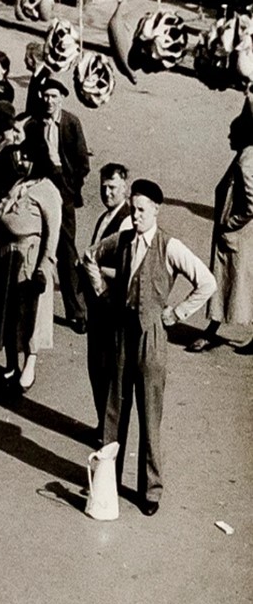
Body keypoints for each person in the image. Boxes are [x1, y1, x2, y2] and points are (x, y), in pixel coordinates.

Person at [83, 179, 215, 514]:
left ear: (156, 210)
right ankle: (106, 481)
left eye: (142, 210)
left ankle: (150, 491)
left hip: (151, 338)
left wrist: (177, 312)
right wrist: (102, 290)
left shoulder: (169, 246)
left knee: (149, 415)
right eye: (133, 209)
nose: (135, 215)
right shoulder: (124, 239)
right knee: (115, 409)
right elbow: (90, 256)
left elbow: (207, 282)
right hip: (121, 334)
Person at [0, 140, 62, 393]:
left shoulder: (47, 189)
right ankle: (12, 363)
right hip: (8, 255)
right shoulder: (20, 183)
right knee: (7, 313)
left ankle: (30, 364)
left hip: (29, 257)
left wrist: (44, 266)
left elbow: (53, 232)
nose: (21, 162)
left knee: (28, 314)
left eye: (27, 157)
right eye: (20, 157)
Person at [25, 76, 91, 333]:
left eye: (54, 96)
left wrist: (69, 187)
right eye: (46, 96)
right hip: (42, 186)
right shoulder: (35, 124)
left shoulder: (71, 123)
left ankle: (77, 311)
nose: (49, 101)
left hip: (64, 189)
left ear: (62, 98)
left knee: (66, 250)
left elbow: (83, 162)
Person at [190, 103, 253, 353]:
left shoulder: (246, 161)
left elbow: (252, 203)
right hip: (241, 236)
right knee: (237, 283)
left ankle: (212, 331)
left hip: (236, 235)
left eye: (231, 132)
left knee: (229, 283)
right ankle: (213, 330)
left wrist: (230, 223)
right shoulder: (246, 155)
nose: (228, 136)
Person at [81, 162, 133, 422]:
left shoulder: (126, 222)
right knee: (97, 367)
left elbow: (128, 270)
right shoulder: (106, 218)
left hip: (111, 304)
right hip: (97, 304)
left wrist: (96, 269)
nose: (107, 193)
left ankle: (110, 429)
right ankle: (103, 423)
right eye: (103, 187)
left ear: (125, 187)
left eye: (112, 187)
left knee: (108, 368)